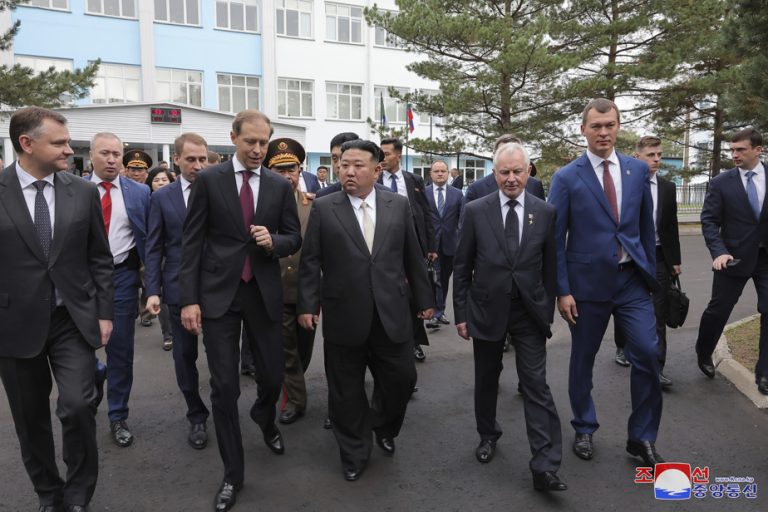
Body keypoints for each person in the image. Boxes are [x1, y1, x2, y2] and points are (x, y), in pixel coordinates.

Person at [180, 109, 301, 512]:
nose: (257, 149)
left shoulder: (278, 186)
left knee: (270, 377)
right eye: (250, 141)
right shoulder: (210, 180)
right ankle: (233, 473)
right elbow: (192, 241)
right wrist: (190, 299)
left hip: (263, 292)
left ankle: (264, 418)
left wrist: (275, 241)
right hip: (219, 295)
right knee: (225, 386)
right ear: (233, 138)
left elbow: (294, 237)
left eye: (263, 142)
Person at [297, 139, 434, 482]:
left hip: (391, 313)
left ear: (377, 170)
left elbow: (412, 256)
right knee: (345, 388)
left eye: (358, 165)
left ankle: (383, 426)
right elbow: (311, 261)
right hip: (344, 313)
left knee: (402, 379)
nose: (349, 171)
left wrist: (425, 300)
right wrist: (307, 305)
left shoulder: (398, 205)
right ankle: (354, 451)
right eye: (344, 164)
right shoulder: (326, 208)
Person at [0, 108, 113, 512]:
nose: (70, 149)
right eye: (60, 143)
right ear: (26, 144)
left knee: (79, 406)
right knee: (30, 421)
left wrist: (104, 313)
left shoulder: (81, 192)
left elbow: (100, 258)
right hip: (14, 324)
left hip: (72, 319)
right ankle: (50, 494)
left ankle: (79, 494)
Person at [547, 98, 664, 468]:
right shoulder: (567, 177)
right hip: (586, 288)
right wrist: (562, 290)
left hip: (631, 283)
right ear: (583, 129)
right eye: (596, 126)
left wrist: (647, 271)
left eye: (609, 125)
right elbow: (555, 240)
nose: (603, 132)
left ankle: (642, 437)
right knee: (583, 359)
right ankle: (584, 424)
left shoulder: (636, 171)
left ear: (618, 127)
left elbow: (646, 228)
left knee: (647, 352)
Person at [453, 142, 566, 492]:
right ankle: (488, 434)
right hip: (486, 310)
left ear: (528, 171)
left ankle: (545, 465)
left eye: (518, 171)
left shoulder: (544, 212)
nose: (512, 178)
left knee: (536, 385)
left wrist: (545, 310)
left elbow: (550, 267)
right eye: (505, 172)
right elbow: (462, 266)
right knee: (487, 380)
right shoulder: (474, 210)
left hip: (528, 314)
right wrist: (461, 314)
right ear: (494, 173)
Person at [144, 133, 212, 451]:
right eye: (191, 160)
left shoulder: (219, 189)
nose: (198, 166)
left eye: (202, 159)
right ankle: (196, 414)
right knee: (185, 357)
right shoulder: (161, 198)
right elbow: (154, 246)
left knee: (222, 355)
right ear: (176, 160)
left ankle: (224, 408)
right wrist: (152, 290)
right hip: (176, 290)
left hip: (216, 288)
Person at [86, 133, 150, 449]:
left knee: (120, 350)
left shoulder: (140, 193)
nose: (112, 159)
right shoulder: (74, 190)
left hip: (121, 277)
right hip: (80, 282)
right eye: (105, 153)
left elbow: (151, 242)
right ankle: (93, 376)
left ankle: (117, 415)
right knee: (79, 346)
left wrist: (152, 286)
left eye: (117, 154)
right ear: (91, 156)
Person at [696, 128, 768, 394]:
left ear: (757, 149)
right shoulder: (720, 183)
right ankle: (704, 352)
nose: (734, 154)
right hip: (732, 259)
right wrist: (719, 252)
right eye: (733, 150)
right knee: (718, 311)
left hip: (765, 259)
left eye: (741, 149)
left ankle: (764, 373)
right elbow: (709, 221)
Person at [612, 136, 681, 388]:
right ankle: (622, 345)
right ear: (637, 156)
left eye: (659, 155)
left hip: (659, 257)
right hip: (631, 258)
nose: (656, 160)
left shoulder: (667, 187)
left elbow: (670, 227)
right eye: (651, 155)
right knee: (624, 307)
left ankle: (657, 368)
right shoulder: (625, 184)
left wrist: (675, 260)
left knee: (657, 312)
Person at [262, 137, 316, 425]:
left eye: (291, 169)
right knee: (287, 350)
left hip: (308, 293)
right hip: (277, 289)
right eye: (279, 170)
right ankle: (295, 400)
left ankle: (294, 384)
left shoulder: (314, 205)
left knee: (304, 348)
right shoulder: (263, 206)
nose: (287, 176)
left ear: (299, 170)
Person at [378, 137, 437, 361]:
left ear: (399, 155)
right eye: (380, 154)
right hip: (386, 248)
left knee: (415, 296)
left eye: (387, 154)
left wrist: (431, 245)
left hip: (414, 247)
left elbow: (426, 213)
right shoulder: (375, 181)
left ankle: (414, 342)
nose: (383, 159)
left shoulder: (413, 180)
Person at [424, 160, 464, 329]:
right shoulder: (423, 193)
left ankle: (440, 309)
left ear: (448, 174)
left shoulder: (457, 194)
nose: (440, 174)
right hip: (430, 245)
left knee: (444, 279)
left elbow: (462, 220)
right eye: (436, 171)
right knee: (436, 278)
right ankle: (436, 313)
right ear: (431, 174)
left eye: (443, 171)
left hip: (450, 244)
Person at [143, 166, 176, 351]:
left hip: (173, 255)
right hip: (157, 256)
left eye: (164, 180)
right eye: (156, 180)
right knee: (162, 297)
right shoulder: (147, 201)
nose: (161, 183)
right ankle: (168, 333)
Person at [465, 135, 545, 202]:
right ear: (494, 156)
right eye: (503, 151)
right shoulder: (476, 189)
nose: (509, 155)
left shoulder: (535, 185)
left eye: (514, 151)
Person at [316, 132, 360, 199]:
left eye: (345, 158)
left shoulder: (380, 195)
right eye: (335, 159)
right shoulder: (323, 196)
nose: (339, 165)